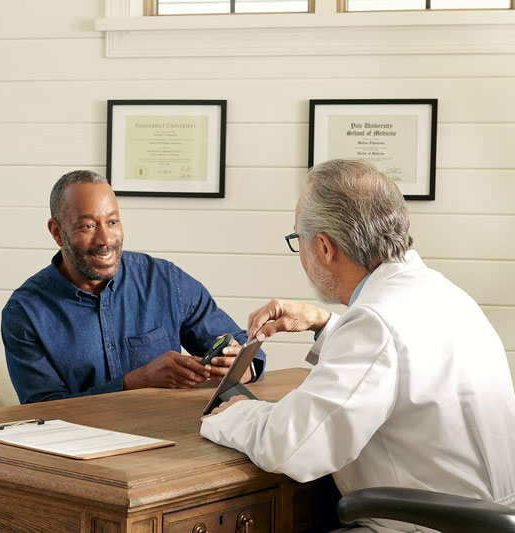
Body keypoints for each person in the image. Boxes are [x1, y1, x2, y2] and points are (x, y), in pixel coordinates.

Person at [200, 159, 515, 532]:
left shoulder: (375, 324)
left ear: (324, 247)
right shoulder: (443, 294)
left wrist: (233, 414)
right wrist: (326, 324)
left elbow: (297, 446)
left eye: (296, 239)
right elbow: (404, 364)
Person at [1, 170, 266, 404]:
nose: (105, 239)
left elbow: (244, 347)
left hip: (174, 439)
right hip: (79, 452)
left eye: (113, 222)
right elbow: (44, 411)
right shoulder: (25, 312)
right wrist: (137, 381)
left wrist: (241, 366)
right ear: (57, 232)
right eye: (88, 226)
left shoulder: (164, 280)